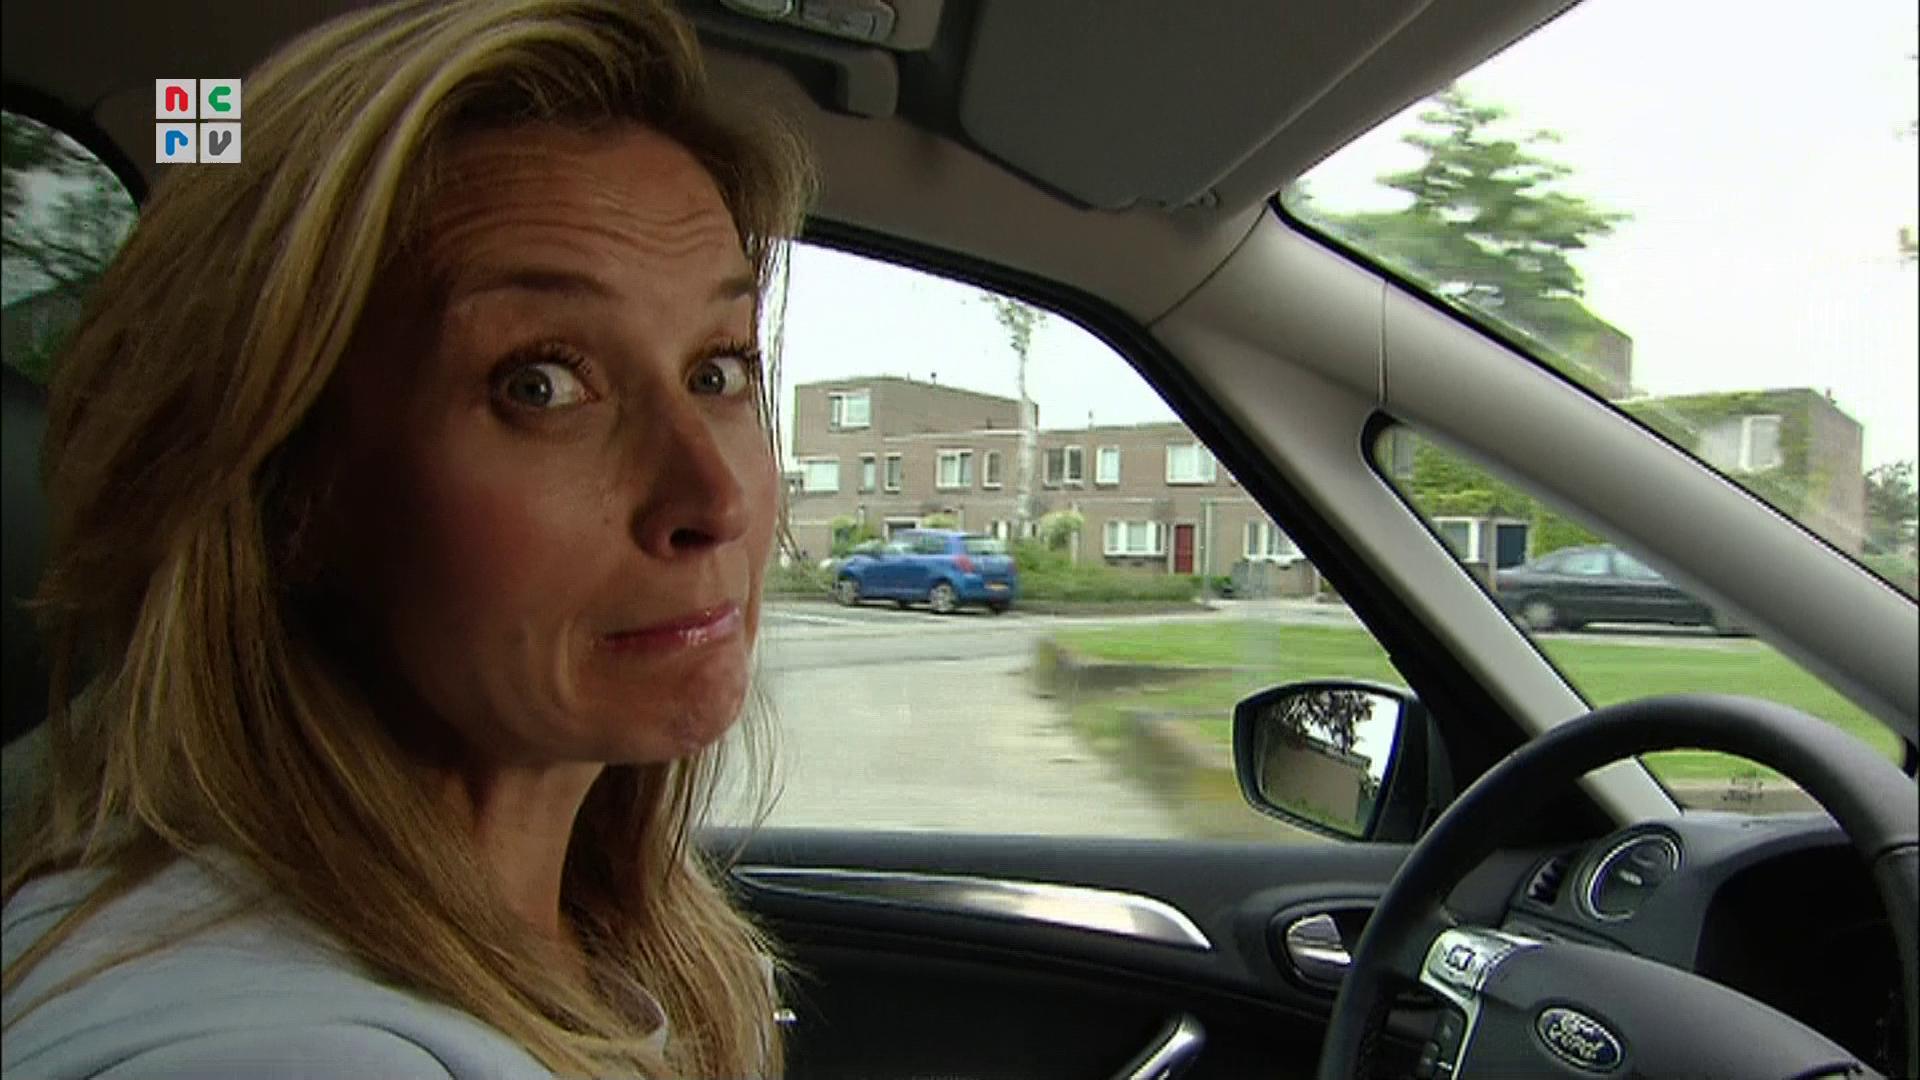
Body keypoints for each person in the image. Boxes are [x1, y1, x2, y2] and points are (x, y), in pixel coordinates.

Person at [0, 0, 813, 1075]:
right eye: (541, 384)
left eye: (717, 369)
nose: (717, 499)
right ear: (285, 490)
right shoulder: (276, 1047)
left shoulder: (598, 927)